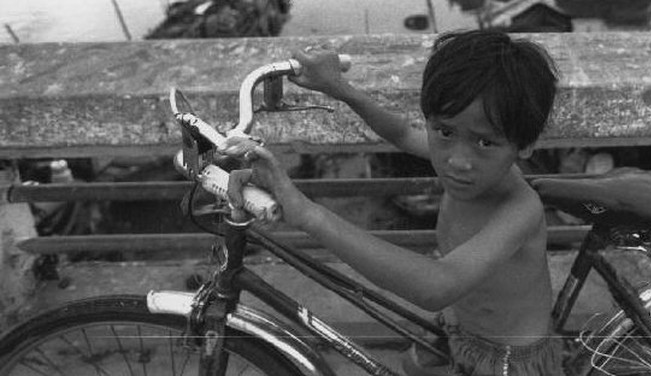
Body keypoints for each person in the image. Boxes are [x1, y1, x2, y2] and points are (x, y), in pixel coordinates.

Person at [219, 30, 563, 376]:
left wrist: (309, 214)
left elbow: (439, 285)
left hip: (506, 361)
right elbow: (400, 133)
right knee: (411, 365)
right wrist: (339, 88)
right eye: (444, 131)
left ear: (526, 145)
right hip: (461, 325)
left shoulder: (520, 209)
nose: (457, 161)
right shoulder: (464, 160)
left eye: (486, 143)